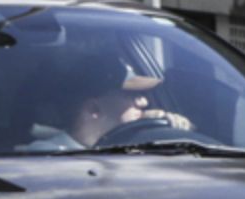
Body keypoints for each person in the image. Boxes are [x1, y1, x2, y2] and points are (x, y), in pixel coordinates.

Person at [22, 53, 192, 151]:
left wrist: (173, 130)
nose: (144, 102)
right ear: (93, 109)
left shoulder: (136, 149)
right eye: (130, 95)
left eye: (142, 94)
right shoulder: (46, 157)